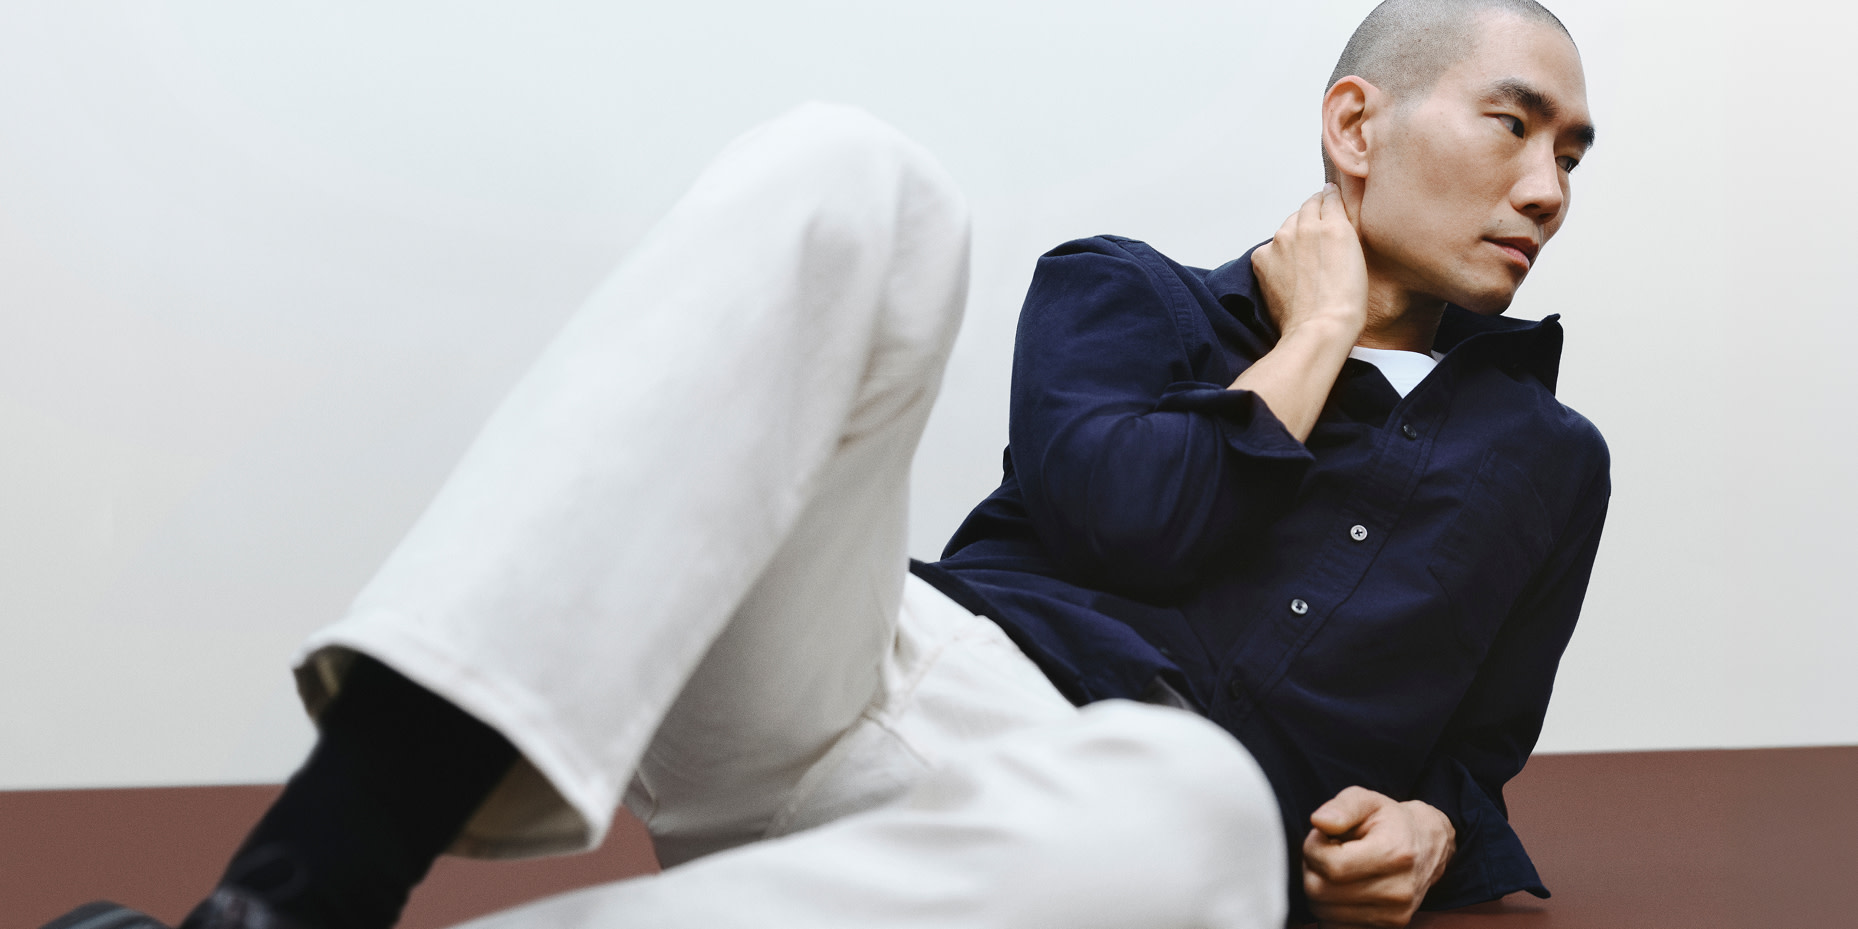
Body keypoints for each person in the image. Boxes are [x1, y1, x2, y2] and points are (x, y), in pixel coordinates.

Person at [43, 1, 1606, 928]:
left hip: (1078, 832)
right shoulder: (1126, 290)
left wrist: (1439, 830)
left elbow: (1473, 751)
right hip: (888, 670)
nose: (1543, 186)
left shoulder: (1548, 463)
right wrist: (1314, 329)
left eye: (1572, 158)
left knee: (1202, 806)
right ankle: (309, 884)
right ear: (1354, 121)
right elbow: (1129, 518)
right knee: (861, 176)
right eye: (1512, 123)